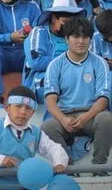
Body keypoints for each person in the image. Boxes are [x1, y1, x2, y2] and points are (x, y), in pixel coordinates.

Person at [42, 17, 112, 170]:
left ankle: (99, 167)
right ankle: (68, 167)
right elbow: (50, 100)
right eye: (76, 36)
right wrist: (63, 118)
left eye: (85, 37)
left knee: (107, 119)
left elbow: (103, 99)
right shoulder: (55, 64)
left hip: (91, 115)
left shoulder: (99, 63)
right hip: (65, 116)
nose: (81, 41)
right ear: (67, 39)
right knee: (47, 128)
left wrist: (85, 117)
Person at [0, 85, 68, 188]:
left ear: (32, 113)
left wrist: (59, 163)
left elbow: (53, 148)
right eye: (18, 106)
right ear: (7, 108)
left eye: (28, 108)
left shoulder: (36, 133)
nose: (23, 112)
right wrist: (0, 159)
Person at [23, 0, 86, 102]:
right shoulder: (38, 32)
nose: (70, 26)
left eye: (73, 22)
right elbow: (36, 62)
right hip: (42, 79)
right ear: (53, 19)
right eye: (65, 22)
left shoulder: (79, 35)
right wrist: (70, 61)